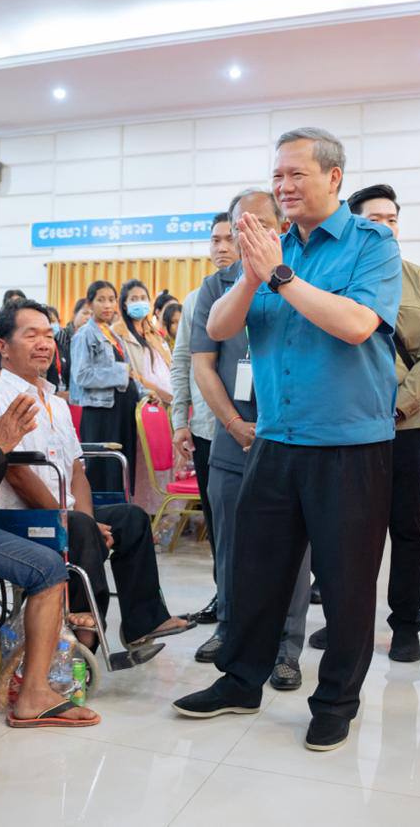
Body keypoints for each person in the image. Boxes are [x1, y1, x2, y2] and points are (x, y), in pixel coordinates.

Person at [174, 127, 402, 753]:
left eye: (296, 174)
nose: (283, 186)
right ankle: (241, 680)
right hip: (275, 438)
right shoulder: (270, 247)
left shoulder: (371, 243)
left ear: (334, 177)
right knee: (255, 571)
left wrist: (278, 275)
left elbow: (357, 325)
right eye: (277, 175)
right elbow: (220, 329)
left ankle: (335, 702)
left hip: (349, 443)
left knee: (346, 579)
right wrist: (252, 275)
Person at [0, 301, 194, 648]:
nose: (44, 343)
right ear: (3, 346)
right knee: (78, 529)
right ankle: (88, 636)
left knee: (131, 519)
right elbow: (15, 474)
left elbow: (76, 467)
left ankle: (143, 623)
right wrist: (76, 521)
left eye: (48, 335)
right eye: (31, 336)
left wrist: (86, 519)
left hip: (65, 513)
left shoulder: (56, 402)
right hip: (16, 518)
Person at [306, 184, 420, 663]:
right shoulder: (333, 273)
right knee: (345, 532)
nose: (386, 227)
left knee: (405, 528)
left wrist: (400, 406)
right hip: (345, 427)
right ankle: (345, 623)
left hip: (402, 427)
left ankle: (404, 625)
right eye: (375, 219)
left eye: (393, 218)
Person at [185, 190, 310, 690]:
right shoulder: (213, 290)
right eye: (239, 224)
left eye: (259, 222)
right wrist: (234, 425)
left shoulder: (297, 277)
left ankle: (287, 646)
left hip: (289, 440)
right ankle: (230, 630)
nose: (246, 232)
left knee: (291, 552)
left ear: (280, 227)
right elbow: (202, 366)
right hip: (231, 442)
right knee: (230, 547)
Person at [0, 306, 99, 728]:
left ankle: (127, 630)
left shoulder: (49, 398)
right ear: (5, 346)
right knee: (52, 562)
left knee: (122, 522)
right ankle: (70, 658)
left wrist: (77, 515)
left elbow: (76, 468)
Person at [170, 211, 235, 626]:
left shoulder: (270, 289)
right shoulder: (197, 299)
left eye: (230, 238)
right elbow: (181, 363)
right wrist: (180, 420)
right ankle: (224, 598)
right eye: (215, 240)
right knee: (216, 521)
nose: (221, 247)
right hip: (209, 430)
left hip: (254, 429)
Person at [70, 279, 140, 496]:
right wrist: (120, 373)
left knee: (121, 469)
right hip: (102, 413)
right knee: (104, 470)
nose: (107, 305)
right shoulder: (85, 334)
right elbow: (82, 375)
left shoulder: (114, 334)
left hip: (122, 410)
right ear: (90, 304)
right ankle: (104, 514)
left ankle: (122, 510)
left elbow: (130, 374)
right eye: (101, 300)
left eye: (111, 300)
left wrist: (145, 393)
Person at [115, 278, 173, 404]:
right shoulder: (117, 334)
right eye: (134, 299)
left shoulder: (154, 333)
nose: (139, 302)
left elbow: (168, 363)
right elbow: (128, 372)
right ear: (124, 304)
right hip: (144, 399)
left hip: (169, 399)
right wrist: (157, 391)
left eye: (143, 298)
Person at [55, 296, 91, 392]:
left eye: (93, 315)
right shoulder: (62, 336)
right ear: (75, 314)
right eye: (85, 313)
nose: (88, 318)